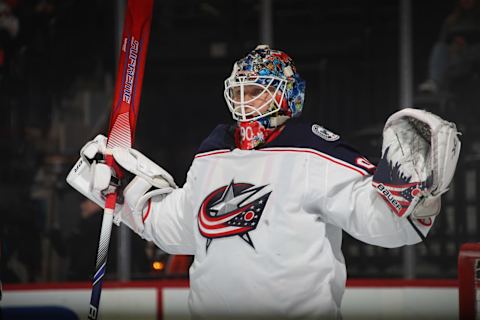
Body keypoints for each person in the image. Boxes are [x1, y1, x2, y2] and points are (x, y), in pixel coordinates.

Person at [67, 45, 461, 319]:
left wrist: (415, 197)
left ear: (287, 96)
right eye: (239, 89)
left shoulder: (313, 151)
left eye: (256, 90)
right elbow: (181, 227)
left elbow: (381, 220)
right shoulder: (213, 152)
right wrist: (122, 188)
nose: (244, 99)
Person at [419, 0, 480, 93]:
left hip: (473, 57)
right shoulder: (451, 20)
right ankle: (434, 82)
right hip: (454, 58)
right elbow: (443, 41)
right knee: (439, 48)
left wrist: (465, 46)